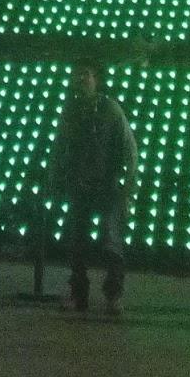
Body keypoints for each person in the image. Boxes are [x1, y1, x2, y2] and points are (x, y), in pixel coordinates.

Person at [48, 61, 137, 317]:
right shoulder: (71, 111)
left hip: (108, 185)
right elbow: (59, 147)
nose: (81, 79)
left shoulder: (110, 109)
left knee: (112, 242)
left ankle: (113, 295)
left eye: (85, 74)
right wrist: (54, 177)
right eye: (77, 74)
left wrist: (129, 182)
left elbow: (128, 146)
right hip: (80, 184)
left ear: (96, 79)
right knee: (78, 242)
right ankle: (78, 295)